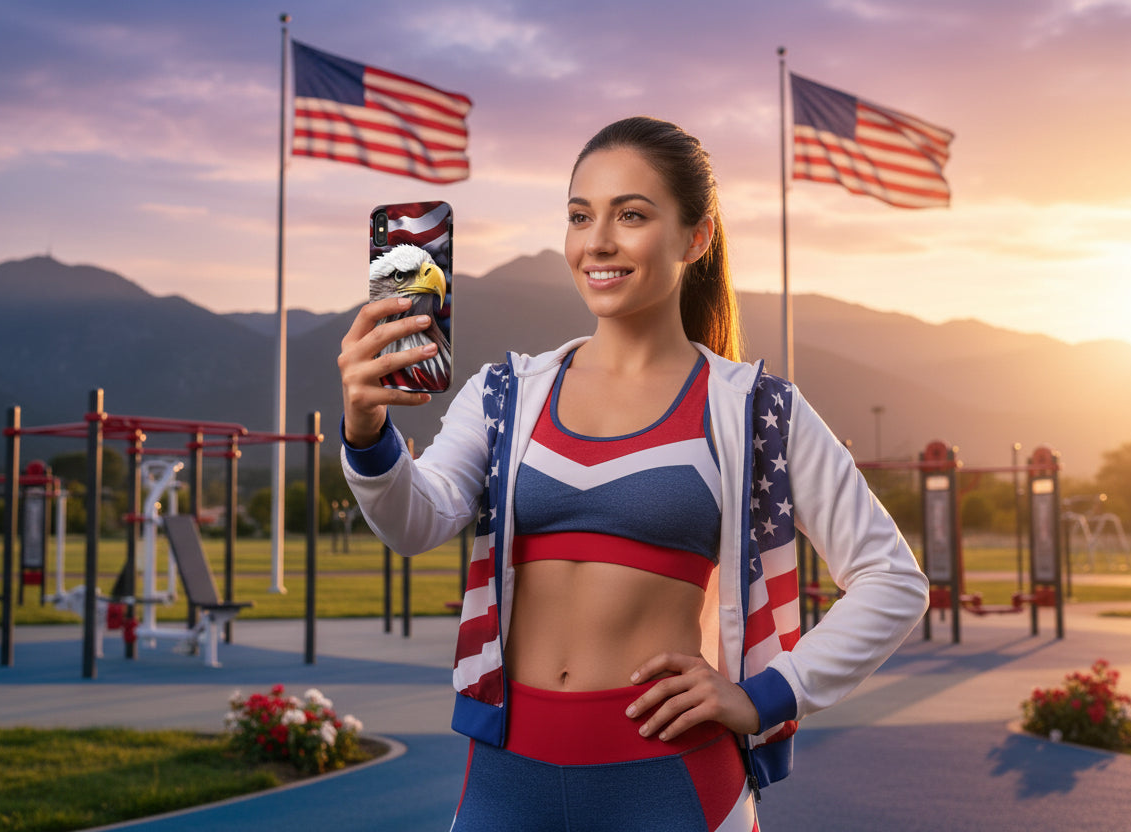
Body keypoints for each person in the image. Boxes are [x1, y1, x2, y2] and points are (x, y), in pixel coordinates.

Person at [338, 116, 929, 831]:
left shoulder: (754, 409)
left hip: (671, 788)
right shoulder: (506, 395)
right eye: (581, 216)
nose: (599, 242)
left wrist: (769, 694)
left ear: (696, 237)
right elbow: (414, 522)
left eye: (632, 215)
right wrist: (367, 434)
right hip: (504, 782)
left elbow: (892, 580)